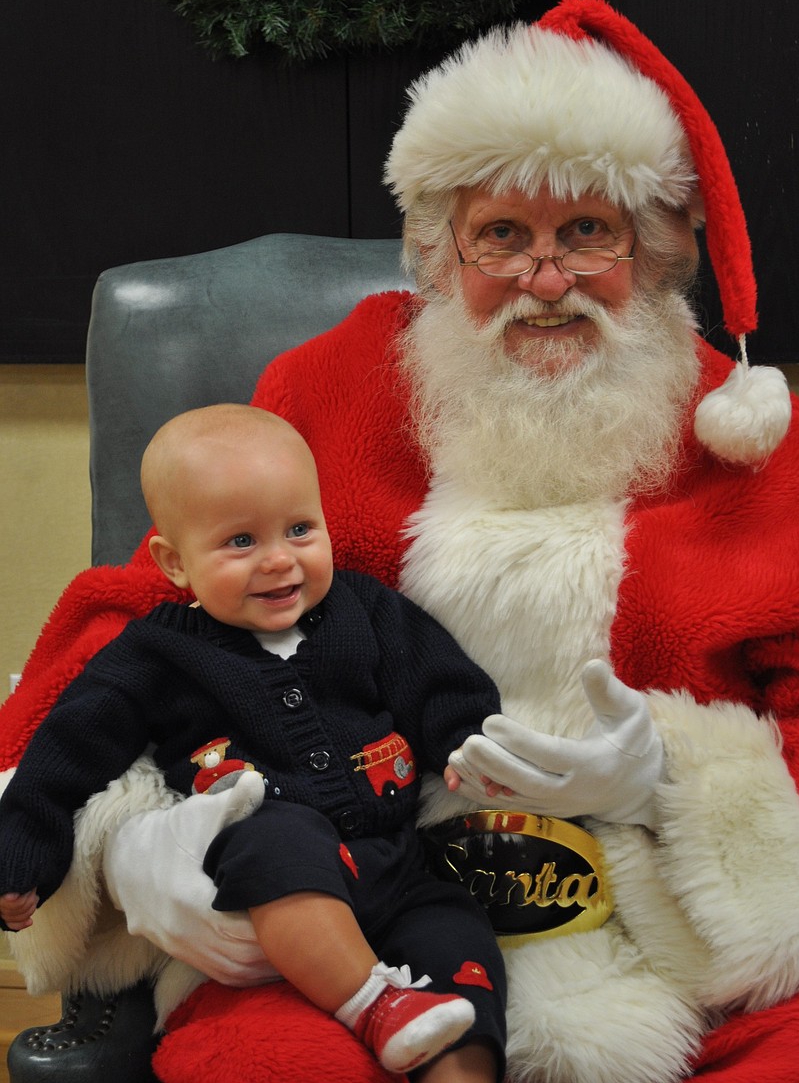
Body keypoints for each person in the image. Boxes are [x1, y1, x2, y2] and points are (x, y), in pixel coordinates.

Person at [3, 0, 799, 1083]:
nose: (545, 279)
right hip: (345, 904)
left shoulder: (762, 444)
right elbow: (149, 608)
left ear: (651, 249)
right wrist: (127, 841)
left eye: (586, 231)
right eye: (503, 234)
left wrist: (670, 785)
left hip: (673, 941)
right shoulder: (328, 385)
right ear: (441, 251)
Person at [0, 404, 508, 1080]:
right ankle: (373, 1004)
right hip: (263, 873)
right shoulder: (156, 652)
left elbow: (441, 680)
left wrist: (466, 741)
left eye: (300, 528)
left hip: (395, 866)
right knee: (277, 833)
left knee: (461, 943)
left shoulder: (366, 608)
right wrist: (21, 857)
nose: (279, 559)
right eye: (240, 541)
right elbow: (66, 750)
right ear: (175, 562)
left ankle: (457, 1066)